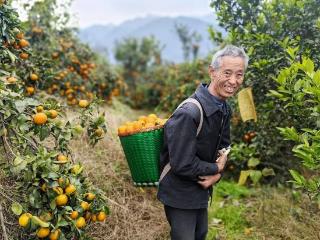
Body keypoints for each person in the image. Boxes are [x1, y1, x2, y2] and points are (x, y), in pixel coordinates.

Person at [157, 45, 249, 240]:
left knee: (200, 234)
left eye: (239, 74)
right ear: (212, 72)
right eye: (227, 73)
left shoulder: (223, 107)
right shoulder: (189, 113)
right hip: (180, 192)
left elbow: (224, 146)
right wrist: (215, 169)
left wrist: (217, 174)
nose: (233, 81)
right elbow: (182, 163)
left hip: (200, 188)